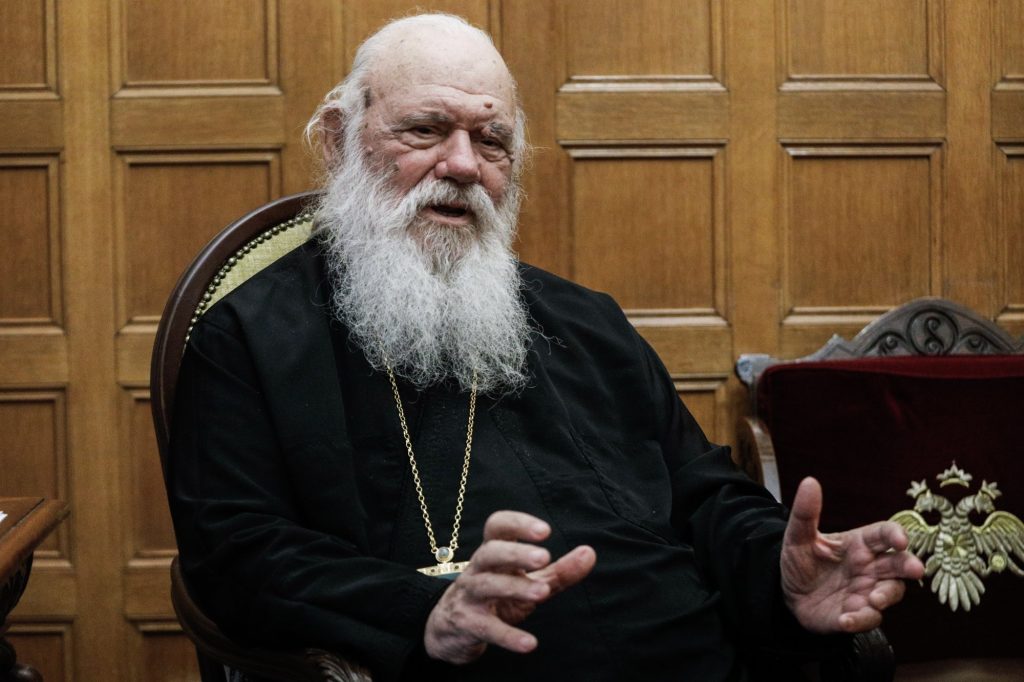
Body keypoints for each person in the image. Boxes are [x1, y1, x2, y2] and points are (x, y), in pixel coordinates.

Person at [167, 13, 924, 681]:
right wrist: (425, 611)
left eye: (490, 140)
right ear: (340, 139)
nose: (463, 165)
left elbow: (704, 495)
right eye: (425, 130)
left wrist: (777, 572)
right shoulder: (248, 338)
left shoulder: (585, 320)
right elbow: (239, 553)